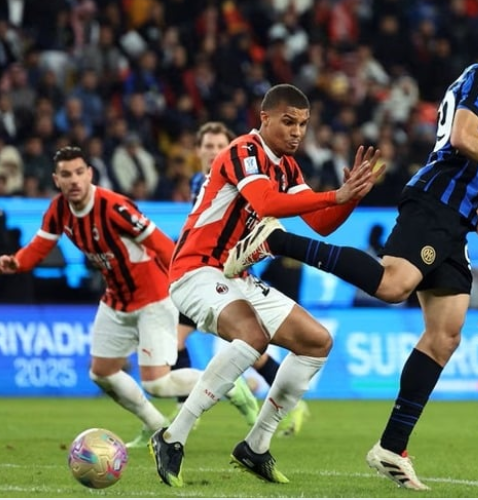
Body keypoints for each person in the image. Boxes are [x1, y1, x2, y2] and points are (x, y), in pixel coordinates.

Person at [223, 9, 478, 490]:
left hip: (454, 218)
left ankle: (392, 447)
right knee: (393, 286)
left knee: (445, 335)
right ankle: (274, 239)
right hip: (433, 206)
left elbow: (459, 160)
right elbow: (462, 139)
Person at [149, 83, 383, 487]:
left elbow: (322, 224)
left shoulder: (287, 167)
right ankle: (172, 437)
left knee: (316, 342)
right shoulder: (243, 151)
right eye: (289, 122)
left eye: (303, 124)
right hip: (196, 270)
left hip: (236, 275)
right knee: (252, 336)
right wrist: (334, 194)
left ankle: (255, 446)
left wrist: (352, 197)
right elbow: (267, 204)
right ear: (265, 118)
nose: (297, 132)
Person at [0, 146, 259, 449]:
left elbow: (161, 244)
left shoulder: (114, 208)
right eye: (66, 175)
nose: (74, 180)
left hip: (153, 298)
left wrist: (188, 280)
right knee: (101, 373)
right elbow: (40, 245)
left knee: (157, 384)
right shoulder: (58, 210)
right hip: (115, 301)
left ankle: (229, 385)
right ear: (56, 180)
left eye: (79, 172)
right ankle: (156, 426)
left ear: (90, 174)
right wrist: (17, 262)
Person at [174, 121, 310, 435]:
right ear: (198, 151)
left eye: (219, 145)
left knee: (249, 346)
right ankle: (198, 407)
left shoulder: (247, 175)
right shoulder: (198, 182)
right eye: (207, 146)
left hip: (229, 271)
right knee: (185, 340)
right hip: (202, 271)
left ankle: (271, 402)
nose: (213, 151)